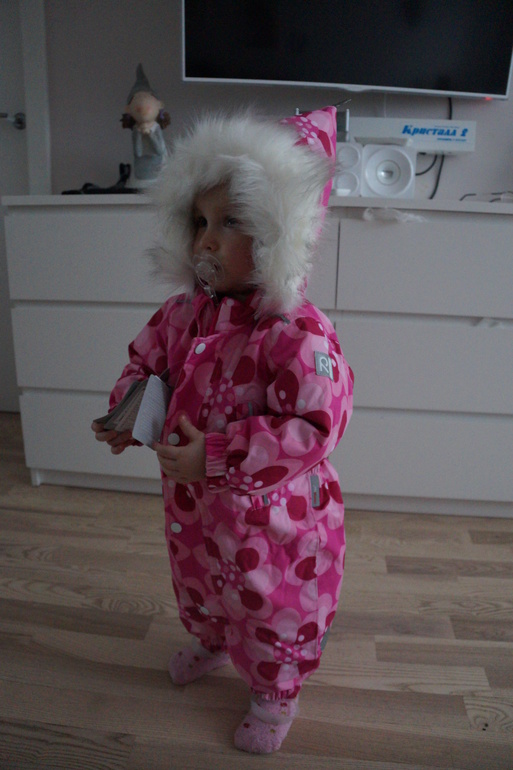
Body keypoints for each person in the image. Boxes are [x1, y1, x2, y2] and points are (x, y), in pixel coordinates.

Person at [91, 106, 354, 754]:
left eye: (230, 222)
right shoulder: (182, 313)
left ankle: (275, 690)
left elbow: (313, 425)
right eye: (199, 222)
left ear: (278, 233)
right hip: (193, 510)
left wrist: (216, 455)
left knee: (270, 605)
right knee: (198, 584)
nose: (207, 241)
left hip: (274, 523)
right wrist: (130, 413)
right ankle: (210, 640)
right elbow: (146, 363)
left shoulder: (296, 333)